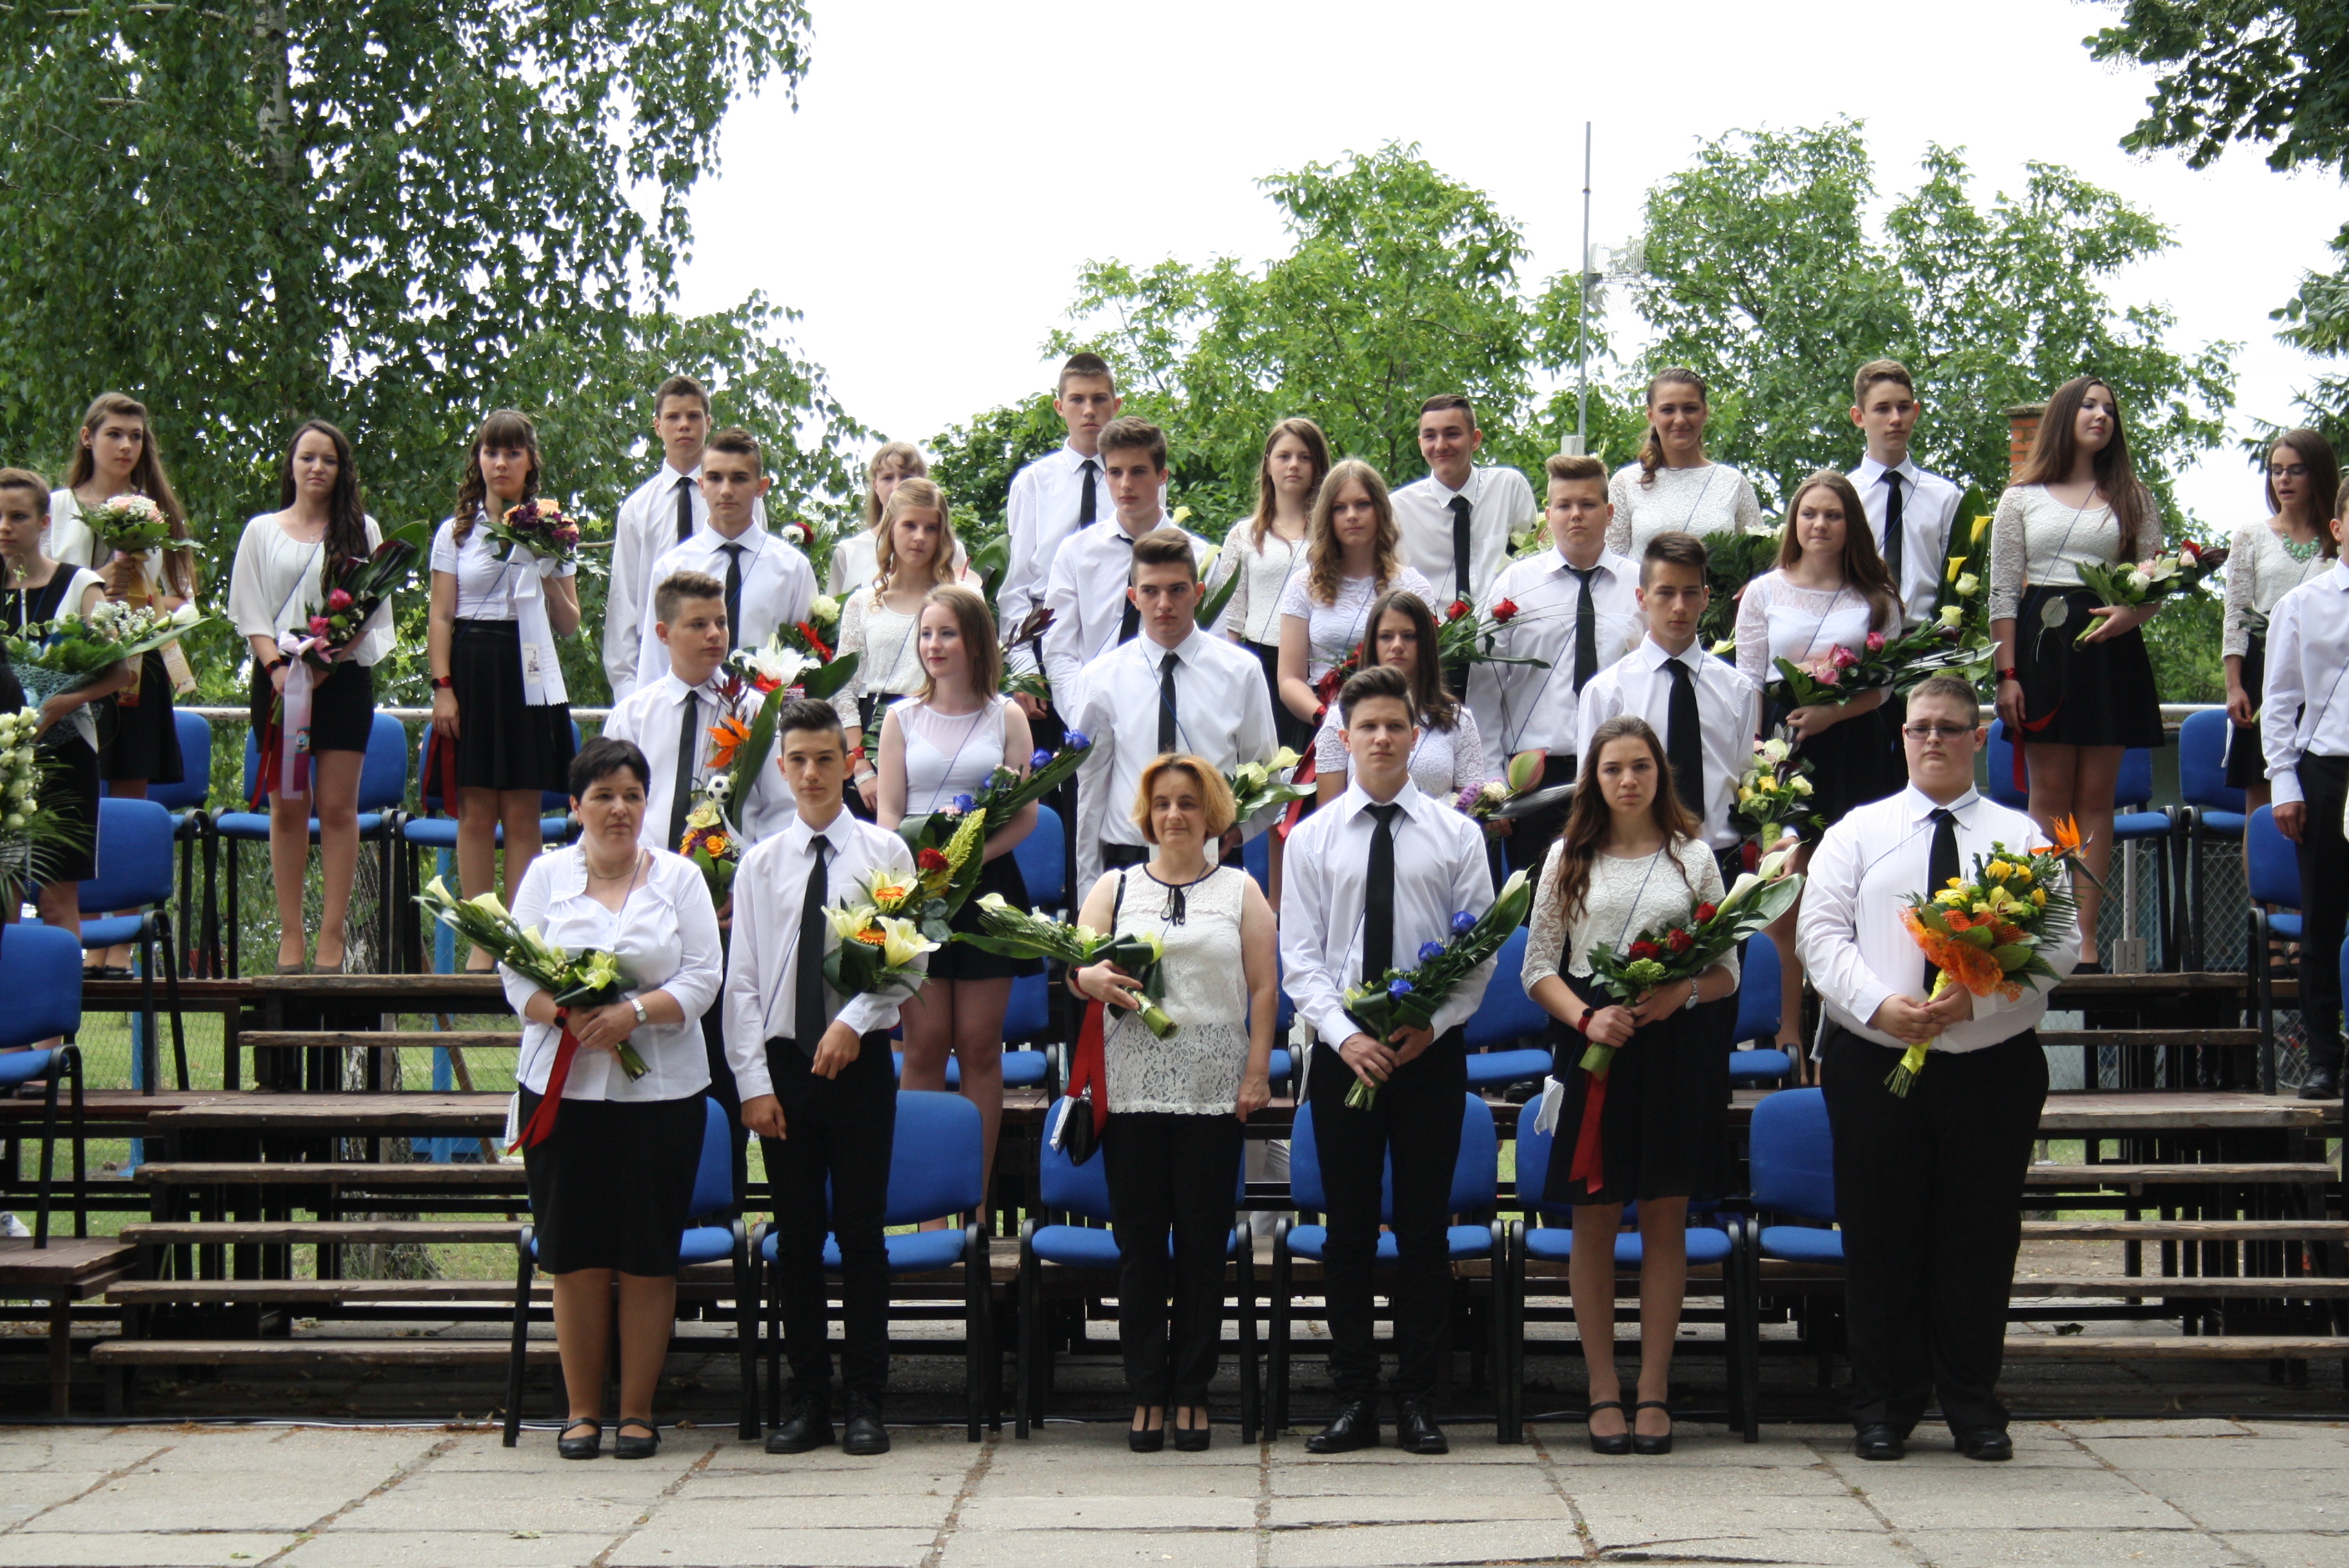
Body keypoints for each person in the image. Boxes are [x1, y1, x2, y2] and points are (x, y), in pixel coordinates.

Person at [1797, 675, 2079, 1462]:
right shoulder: (1858, 831)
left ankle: (1973, 1406)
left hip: (1990, 1064)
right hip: (1876, 1059)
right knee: (1880, 1237)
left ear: (1978, 738)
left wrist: (1977, 999)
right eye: (1920, 727)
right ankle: (1882, 1407)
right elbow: (1820, 936)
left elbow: (2059, 946)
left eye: (1950, 728)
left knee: (1978, 1239)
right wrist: (1880, 1005)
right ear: (1902, 736)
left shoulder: (2023, 838)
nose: (1933, 740)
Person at [1280, 664, 1497, 1456]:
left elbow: (1479, 951)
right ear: (1344, 737)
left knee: (1423, 1230)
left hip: (1426, 1054)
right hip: (1346, 1055)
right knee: (1347, 1232)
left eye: (1394, 726)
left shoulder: (1456, 834)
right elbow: (1301, 957)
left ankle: (1417, 1398)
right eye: (1366, 726)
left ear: (1414, 736)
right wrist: (1346, 1035)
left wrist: (1429, 1027)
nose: (1381, 738)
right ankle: (1353, 1397)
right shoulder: (1312, 838)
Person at [500, 736, 723, 1461]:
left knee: (646, 1254)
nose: (619, 809)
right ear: (576, 806)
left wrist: (634, 1014)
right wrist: (564, 1015)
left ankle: (637, 1412)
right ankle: (581, 1413)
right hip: (561, 1087)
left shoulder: (680, 878)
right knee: (575, 1254)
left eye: (631, 795)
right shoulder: (545, 876)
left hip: (660, 1091)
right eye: (603, 796)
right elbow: (515, 975)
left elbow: (704, 976)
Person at [1522, 716, 1738, 1456]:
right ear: (1594, 779)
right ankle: (1601, 1388)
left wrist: (1683, 993)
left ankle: (1653, 1387)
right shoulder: (1566, 857)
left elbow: (1727, 968)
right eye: (1613, 768)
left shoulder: (1693, 857)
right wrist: (1587, 1017)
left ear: (1660, 774)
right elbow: (1538, 968)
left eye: (1640, 766)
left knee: (1665, 1219)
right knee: (1594, 1217)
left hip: (1673, 1049)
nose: (1628, 780)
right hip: (1595, 1047)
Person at [725, 699, 922, 1458]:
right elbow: (744, 983)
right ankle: (809, 1399)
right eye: (799, 761)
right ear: (781, 768)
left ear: (849, 764)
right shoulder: (760, 863)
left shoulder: (884, 854)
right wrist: (752, 1083)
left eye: (826, 759)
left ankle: (867, 1399)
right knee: (799, 1236)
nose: (812, 773)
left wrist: (855, 1021)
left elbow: (904, 959)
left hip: (858, 1062)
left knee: (862, 1235)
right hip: (785, 1069)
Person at [1069, 754, 1276, 1451]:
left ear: (1210, 812)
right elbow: (1076, 968)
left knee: (1201, 1248)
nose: (1174, 815)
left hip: (1214, 1091)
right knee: (1139, 1250)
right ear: (1146, 814)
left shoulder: (1241, 889)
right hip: (1131, 1090)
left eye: (1187, 802)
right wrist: (1088, 978)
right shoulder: (1116, 886)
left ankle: (1193, 1391)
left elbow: (1264, 988)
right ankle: (1146, 1392)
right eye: (1161, 803)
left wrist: (1256, 1071)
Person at [1989, 375, 2167, 971]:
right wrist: (2006, 675)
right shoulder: (2020, 497)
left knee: (2095, 798)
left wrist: (2131, 613)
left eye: (2109, 409)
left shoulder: (2134, 495)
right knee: (2048, 798)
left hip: (2110, 652)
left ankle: (2085, 939)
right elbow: (2002, 593)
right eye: (2089, 405)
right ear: (2064, 415)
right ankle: (2043, 930)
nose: (2101, 416)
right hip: (2041, 650)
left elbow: (2158, 579)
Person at [871, 582, 1039, 1201]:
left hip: (987, 889)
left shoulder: (1007, 716)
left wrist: (967, 862)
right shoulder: (899, 718)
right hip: (917, 891)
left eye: (947, 633)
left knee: (979, 1047)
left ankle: (975, 1199)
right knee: (922, 1046)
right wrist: (918, 877)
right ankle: (925, 1205)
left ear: (975, 641)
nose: (934, 645)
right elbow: (889, 814)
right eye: (926, 633)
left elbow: (1024, 814)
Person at [1735, 471, 1906, 1057]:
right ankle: (1785, 1030)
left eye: (1833, 515)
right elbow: (1747, 681)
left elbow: (1885, 685)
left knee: (1857, 892)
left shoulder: (1877, 596)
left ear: (1850, 524)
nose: (1820, 525)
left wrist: (1834, 714)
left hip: (1856, 748)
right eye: (1809, 514)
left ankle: (1850, 1032)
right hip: (1784, 749)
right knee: (1786, 888)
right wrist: (1756, 757)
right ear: (1794, 521)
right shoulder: (1763, 592)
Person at [225, 421, 396, 975]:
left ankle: (332, 932)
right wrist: (279, 670)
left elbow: (369, 613)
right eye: (307, 458)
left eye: (329, 459)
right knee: (288, 806)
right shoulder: (261, 531)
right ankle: (291, 932)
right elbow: (249, 609)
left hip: (342, 681)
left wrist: (324, 666)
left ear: (342, 470)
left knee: (338, 808)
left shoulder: (362, 530)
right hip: (276, 679)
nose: (317, 468)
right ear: (292, 466)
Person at [427, 409, 581, 965]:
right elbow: (441, 615)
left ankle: (519, 938)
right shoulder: (456, 532)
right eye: (491, 451)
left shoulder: (555, 529)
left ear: (530, 461)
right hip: (472, 669)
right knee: (474, 811)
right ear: (479, 460)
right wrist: (443, 687)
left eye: (513, 452)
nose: (501, 463)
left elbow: (570, 623)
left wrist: (546, 562)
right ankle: (481, 943)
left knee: (521, 813)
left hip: (530, 667)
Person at [49, 393, 196, 977]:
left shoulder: (157, 511)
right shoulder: (58, 507)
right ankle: (83, 934)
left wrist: (147, 601)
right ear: (88, 438)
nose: (126, 445)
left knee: (130, 800)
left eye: (136, 436)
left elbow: (183, 598)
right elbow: (41, 585)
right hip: (74, 665)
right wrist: (98, 581)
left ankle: (123, 941)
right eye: (115, 434)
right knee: (77, 796)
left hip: (137, 663)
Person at [1069, 531, 1280, 890]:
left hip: (1212, 858)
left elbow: (1265, 771)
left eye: (1177, 590)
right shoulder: (1100, 678)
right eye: (1150, 591)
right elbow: (1091, 789)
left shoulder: (1241, 672)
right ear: (1134, 598)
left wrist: (1240, 831)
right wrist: (1088, 889)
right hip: (1130, 861)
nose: (1164, 603)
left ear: (1198, 593)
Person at [1468, 453, 1641, 874]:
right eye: (1564, 505)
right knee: (1535, 903)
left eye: (1587, 504)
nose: (1575, 515)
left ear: (1609, 513)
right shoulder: (1516, 585)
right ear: (1548, 516)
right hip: (1534, 774)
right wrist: (1493, 781)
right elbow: (1486, 687)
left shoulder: (1640, 585)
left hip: (1619, 773)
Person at [1576, 535, 1761, 884]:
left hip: (1721, 859)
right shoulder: (1607, 691)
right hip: (1637, 862)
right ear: (1641, 598)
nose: (1679, 606)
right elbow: (1590, 791)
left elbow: (1743, 777)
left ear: (1706, 598)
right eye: (1665, 592)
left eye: (1690, 593)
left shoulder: (1737, 689)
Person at [0, 470, 127, 947]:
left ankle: (61, 998)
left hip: (66, 752)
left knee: (56, 900)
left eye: (17, 516)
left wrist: (62, 702)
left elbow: (120, 672)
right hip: (4, 758)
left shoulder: (80, 584)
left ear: (44, 522)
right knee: (4, 897)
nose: (5, 526)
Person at [2259, 485, 2349, 1103]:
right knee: (2321, 920)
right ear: (2337, 529)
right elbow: (2280, 701)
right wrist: (2284, 782)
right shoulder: (2302, 603)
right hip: (2327, 771)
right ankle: (2323, 1058)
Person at [605, 570, 793, 862]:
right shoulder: (631, 717)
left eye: (721, 622)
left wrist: (752, 872)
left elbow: (780, 807)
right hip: (645, 870)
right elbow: (608, 801)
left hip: (733, 872)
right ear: (664, 633)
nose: (715, 634)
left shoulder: (757, 713)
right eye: (698, 624)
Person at [1039, 417, 1210, 715]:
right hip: (1094, 709)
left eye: (1138, 471)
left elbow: (1212, 645)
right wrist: (1081, 715)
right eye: (1116, 472)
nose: (1126, 484)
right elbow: (1059, 648)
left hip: (1176, 709)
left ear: (1162, 476)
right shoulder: (1075, 552)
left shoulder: (1198, 556)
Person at [633, 428, 814, 686]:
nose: (726, 490)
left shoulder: (792, 569)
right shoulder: (672, 567)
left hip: (768, 706)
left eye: (739, 478)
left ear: (761, 486)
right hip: (690, 705)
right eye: (715, 478)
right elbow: (655, 664)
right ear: (701, 485)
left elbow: (805, 662)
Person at [836, 478, 978, 804]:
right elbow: (843, 691)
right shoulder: (862, 602)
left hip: (946, 727)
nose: (919, 537)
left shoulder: (964, 599)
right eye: (910, 525)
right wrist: (861, 768)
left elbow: (981, 675)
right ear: (891, 529)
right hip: (875, 732)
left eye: (931, 528)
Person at [1275, 458, 1436, 731]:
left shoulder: (1413, 586)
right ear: (1327, 515)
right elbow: (1290, 679)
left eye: (1362, 504)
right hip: (1325, 724)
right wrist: (1328, 719)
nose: (1351, 515)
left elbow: (1427, 671)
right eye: (1340, 508)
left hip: (1395, 729)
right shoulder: (1303, 585)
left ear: (1380, 509)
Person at [2225, 430, 2337, 820]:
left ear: (2318, 473)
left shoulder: (2340, 538)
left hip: (2327, 672)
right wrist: (2234, 685)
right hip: (2264, 672)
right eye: (2276, 470)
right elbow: (2236, 616)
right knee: (2263, 800)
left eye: (2296, 470)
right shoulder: (2251, 535)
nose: (2283, 479)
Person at [999, 352, 1124, 699]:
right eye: (1077, 400)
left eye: (1099, 399)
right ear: (1059, 407)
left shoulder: (1138, 480)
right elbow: (1018, 583)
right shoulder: (1034, 483)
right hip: (1046, 632)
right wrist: (1023, 666)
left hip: (1120, 632)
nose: (1089, 410)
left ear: (1116, 405)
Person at [605, 374, 732, 704]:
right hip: (657, 667)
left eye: (693, 416)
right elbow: (624, 605)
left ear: (708, 423)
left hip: (727, 667)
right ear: (657, 426)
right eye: (673, 417)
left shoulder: (736, 500)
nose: (684, 425)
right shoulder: (637, 509)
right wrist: (628, 695)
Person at [1207, 417, 1328, 755]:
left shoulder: (1331, 535)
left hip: (1319, 665)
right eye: (1284, 456)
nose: (1294, 465)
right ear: (1268, 465)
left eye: (1304, 457)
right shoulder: (1243, 535)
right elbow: (1231, 617)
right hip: (1260, 662)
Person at [1309, 590, 1490, 808]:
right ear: (1372, 643)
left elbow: (1472, 810)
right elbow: (1329, 813)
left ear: (1425, 643)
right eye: (1386, 636)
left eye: (1409, 636)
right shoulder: (1340, 718)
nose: (1397, 645)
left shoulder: (1458, 720)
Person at [1388, 395, 1539, 606]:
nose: (1441, 446)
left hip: (1503, 623)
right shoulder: (1397, 508)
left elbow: (1532, 562)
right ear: (1421, 444)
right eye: (1430, 436)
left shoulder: (1508, 488)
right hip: (1430, 625)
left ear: (1475, 439)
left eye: (1452, 434)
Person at [1847, 360, 1964, 628]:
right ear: (1859, 417)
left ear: (1916, 411)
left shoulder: (1945, 497)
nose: (1895, 419)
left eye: (1903, 407)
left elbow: (1960, 577)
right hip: (1857, 640)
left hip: (1932, 639)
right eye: (1882, 409)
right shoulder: (1843, 496)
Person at [1606, 370, 1764, 558]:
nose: (1680, 420)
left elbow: (1758, 559)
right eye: (1668, 410)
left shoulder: (1733, 482)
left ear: (1705, 412)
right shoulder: (1625, 483)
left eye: (1690, 409)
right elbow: (1613, 562)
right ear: (1650, 415)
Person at [831, 442, 952, 597]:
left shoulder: (948, 549)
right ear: (875, 485)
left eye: (906, 477)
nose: (896, 486)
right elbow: (834, 608)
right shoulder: (848, 551)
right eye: (887, 478)